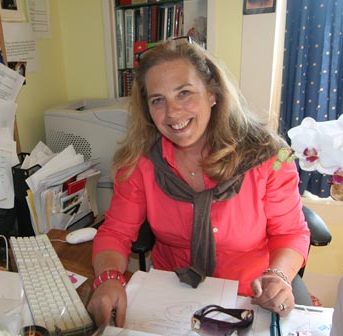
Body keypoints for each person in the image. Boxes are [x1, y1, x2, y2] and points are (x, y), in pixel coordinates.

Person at [87, 37, 310, 328]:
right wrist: (108, 279)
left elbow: (291, 232)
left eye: (184, 93)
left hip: (250, 296)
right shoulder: (140, 162)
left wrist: (278, 277)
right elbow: (116, 231)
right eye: (158, 100)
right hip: (172, 293)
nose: (173, 113)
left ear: (213, 93)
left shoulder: (268, 156)